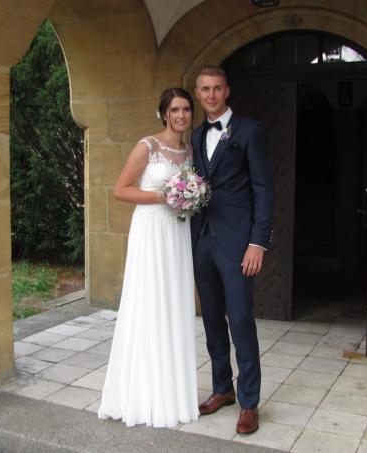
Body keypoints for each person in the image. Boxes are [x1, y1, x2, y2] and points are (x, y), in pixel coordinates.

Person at [97, 88, 199, 428]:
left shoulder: (189, 150)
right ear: (164, 114)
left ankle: (171, 391)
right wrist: (164, 195)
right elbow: (120, 189)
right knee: (150, 304)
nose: (181, 115)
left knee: (174, 304)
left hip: (177, 233)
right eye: (175, 109)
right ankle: (142, 393)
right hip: (152, 230)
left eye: (186, 109)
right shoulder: (148, 146)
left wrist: (188, 199)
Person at [190, 65, 274, 435]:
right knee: (210, 319)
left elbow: (263, 190)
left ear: (227, 91)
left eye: (217, 88)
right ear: (198, 93)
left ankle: (250, 403)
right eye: (205, 89)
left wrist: (258, 242)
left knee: (240, 320)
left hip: (239, 242)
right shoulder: (194, 136)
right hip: (202, 241)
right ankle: (221, 388)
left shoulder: (250, 131)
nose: (211, 94)